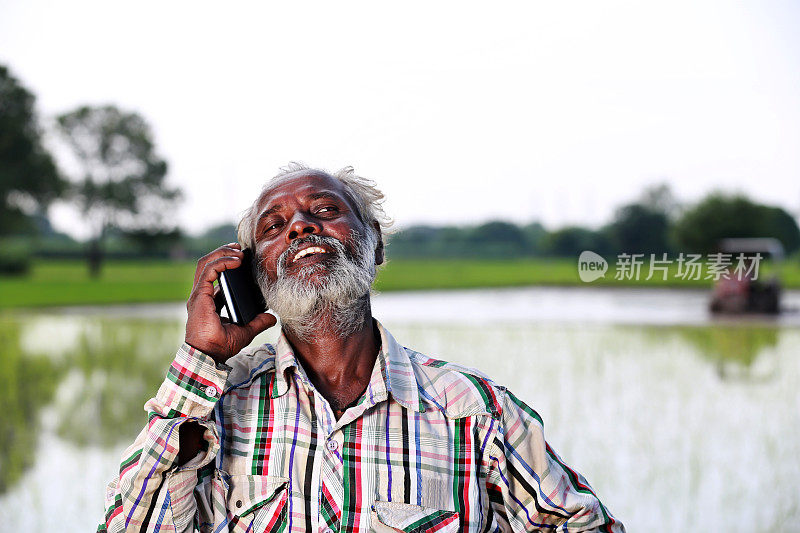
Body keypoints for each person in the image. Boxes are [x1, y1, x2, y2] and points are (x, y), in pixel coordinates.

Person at [98, 163, 624, 532]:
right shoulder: (212, 406)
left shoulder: (473, 411)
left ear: (373, 245)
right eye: (275, 226)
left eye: (325, 210)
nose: (301, 225)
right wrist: (201, 359)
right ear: (254, 274)